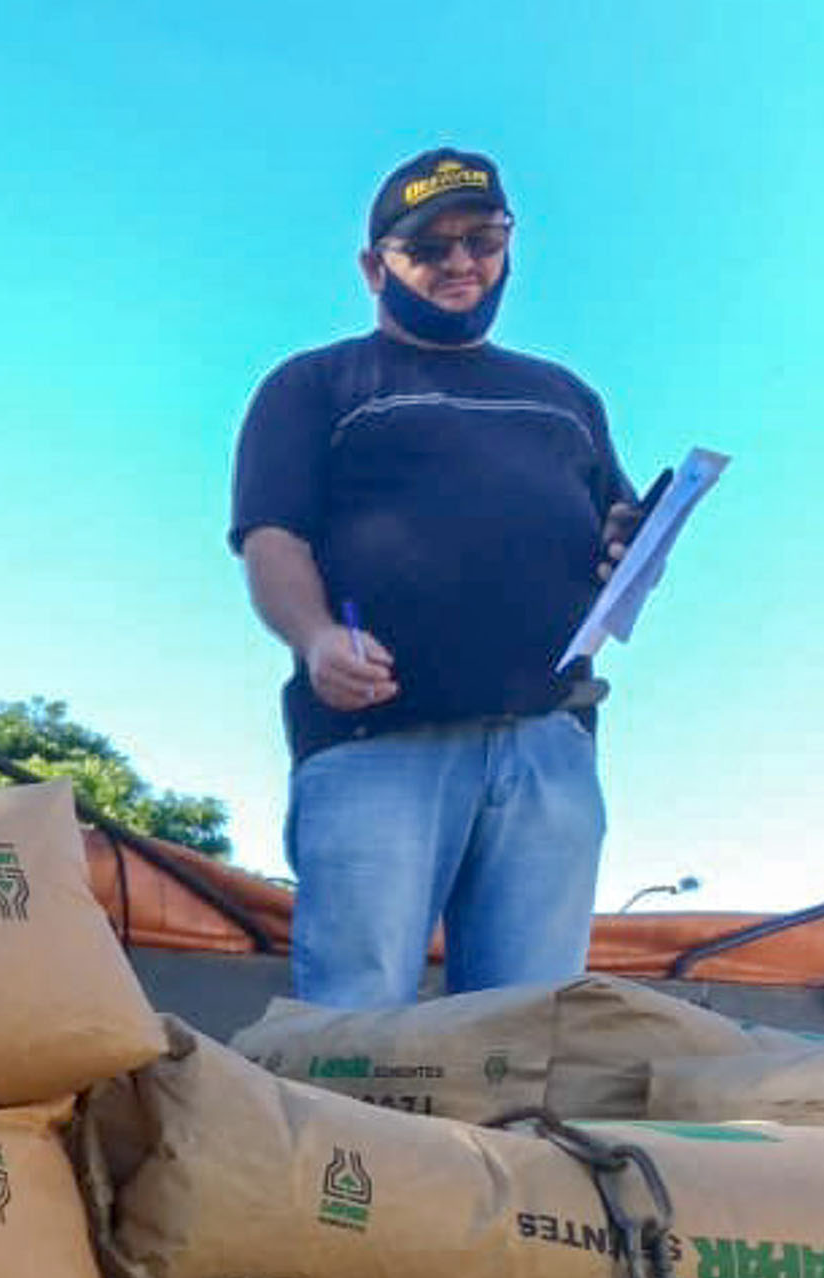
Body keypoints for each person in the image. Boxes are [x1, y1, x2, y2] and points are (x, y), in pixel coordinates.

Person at [231, 147, 650, 1008]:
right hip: (376, 749)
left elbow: (620, 538)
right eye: (428, 246)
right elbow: (271, 539)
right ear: (372, 267)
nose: (461, 261)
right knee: (352, 1029)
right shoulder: (315, 384)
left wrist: (627, 542)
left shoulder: (568, 395)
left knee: (527, 1041)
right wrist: (316, 639)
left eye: (484, 238)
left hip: (550, 751)